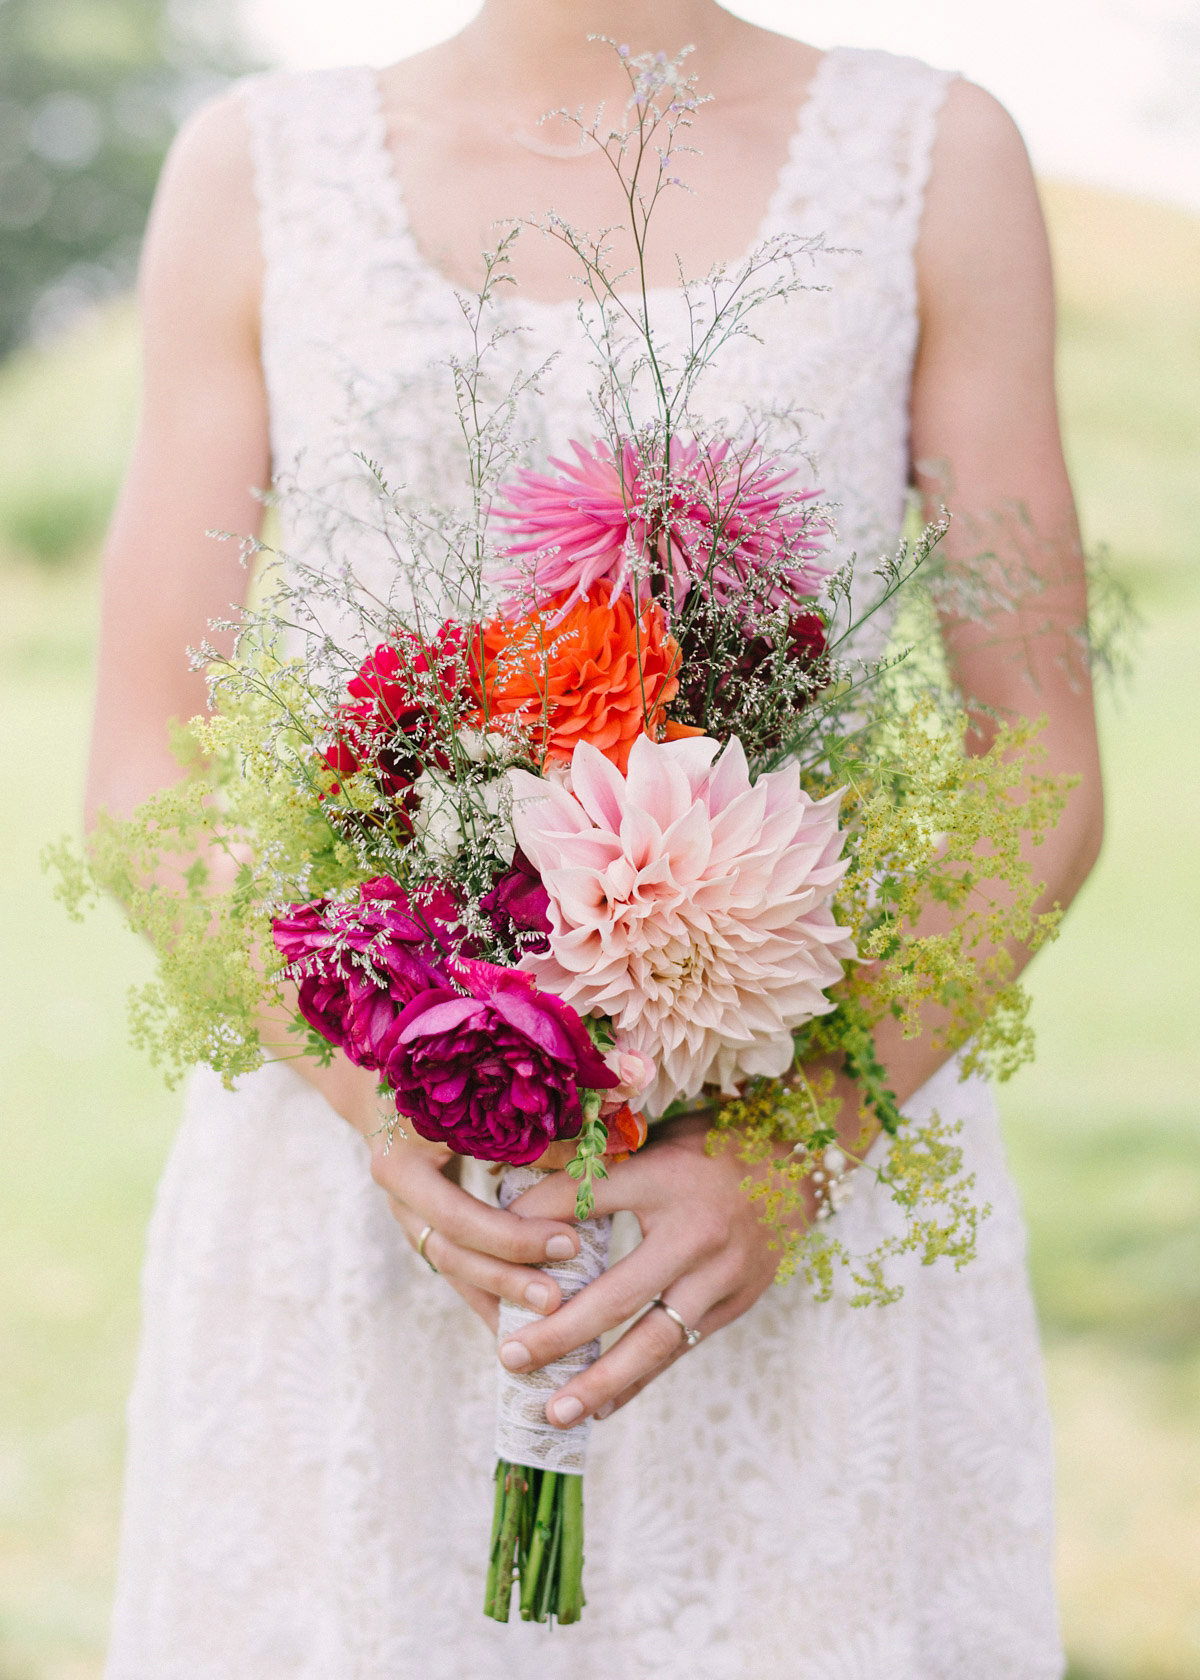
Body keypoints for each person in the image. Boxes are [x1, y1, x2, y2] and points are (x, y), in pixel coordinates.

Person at [86, 2, 1102, 1674]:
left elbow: (1043, 761)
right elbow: (143, 764)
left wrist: (796, 1155)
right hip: (361, 1201)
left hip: (790, 1193)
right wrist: (376, 1091)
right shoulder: (255, 171)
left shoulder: (936, 154)